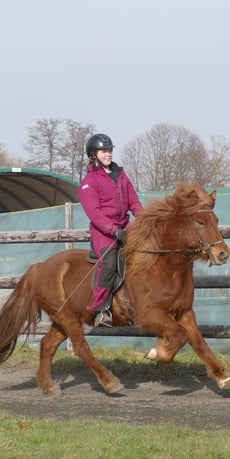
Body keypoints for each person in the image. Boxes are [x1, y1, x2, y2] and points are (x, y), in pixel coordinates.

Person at [79, 133, 143, 327]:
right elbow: (94, 213)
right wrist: (113, 230)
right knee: (109, 263)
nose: (108, 154)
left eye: (109, 150)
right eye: (103, 151)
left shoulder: (121, 175)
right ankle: (100, 309)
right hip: (104, 233)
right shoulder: (89, 182)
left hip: (126, 227)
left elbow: (134, 202)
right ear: (93, 154)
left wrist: (146, 221)